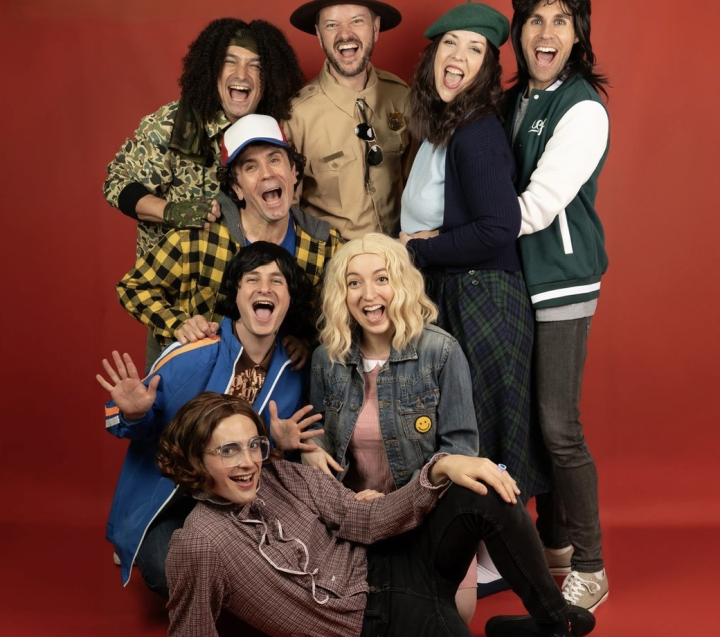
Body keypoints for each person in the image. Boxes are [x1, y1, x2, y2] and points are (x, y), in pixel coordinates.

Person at [159, 392, 595, 637]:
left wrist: (441, 467)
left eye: (254, 445)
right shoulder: (201, 542)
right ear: (195, 459)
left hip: (396, 561)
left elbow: (363, 519)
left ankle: (553, 623)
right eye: (228, 450)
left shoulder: (280, 474)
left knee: (483, 488)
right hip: (376, 625)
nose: (249, 462)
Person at [279, 233, 479, 622]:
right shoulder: (326, 359)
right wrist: (310, 450)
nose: (368, 294)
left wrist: (398, 504)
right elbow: (318, 437)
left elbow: (461, 451)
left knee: (455, 617)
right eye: (354, 282)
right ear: (342, 294)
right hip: (356, 516)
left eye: (381, 278)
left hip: (426, 513)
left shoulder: (441, 351)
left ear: (401, 284)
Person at [98, 243, 318, 596]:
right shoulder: (193, 353)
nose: (265, 288)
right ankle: (143, 538)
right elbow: (138, 429)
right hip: (173, 496)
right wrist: (135, 412)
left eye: (277, 281)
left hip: (240, 498)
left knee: (287, 563)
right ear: (236, 293)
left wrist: (282, 443)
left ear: (290, 298)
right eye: (253, 279)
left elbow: (279, 454)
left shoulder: (295, 370)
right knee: (168, 572)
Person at [400, 1, 550, 499]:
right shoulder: (442, 128)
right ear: (433, 57)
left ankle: (501, 541)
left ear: (486, 69)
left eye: (474, 49)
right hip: (455, 292)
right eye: (450, 43)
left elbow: (500, 227)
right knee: (463, 437)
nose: (458, 56)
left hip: (483, 298)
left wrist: (421, 250)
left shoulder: (478, 131)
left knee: (488, 441)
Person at [103, 18, 303, 365]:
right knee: (172, 397)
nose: (242, 74)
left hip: (251, 315)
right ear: (212, 70)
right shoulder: (174, 122)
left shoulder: (274, 130)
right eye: (230, 61)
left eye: (255, 66)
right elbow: (116, 183)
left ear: (267, 77)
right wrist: (169, 211)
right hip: (178, 311)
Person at [504, 0, 610, 612]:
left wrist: (457, 235)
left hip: (562, 279)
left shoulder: (583, 106)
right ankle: (556, 543)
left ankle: (591, 566)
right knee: (532, 423)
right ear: (519, 32)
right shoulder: (514, 99)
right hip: (520, 278)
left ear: (578, 34)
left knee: (558, 424)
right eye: (535, 20)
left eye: (561, 21)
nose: (546, 33)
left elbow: (538, 205)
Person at [115, 114, 343, 369]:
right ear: (236, 188)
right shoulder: (197, 237)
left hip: (278, 382)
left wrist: (310, 343)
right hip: (204, 378)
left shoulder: (324, 246)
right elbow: (132, 287)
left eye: (274, 159)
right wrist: (178, 324)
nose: (267, 173)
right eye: (251, 167)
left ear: (293, 172)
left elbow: (343, 315)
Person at [284, 0, 413, 239]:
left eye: (356, 21)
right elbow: (286, 214)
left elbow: (421, 189)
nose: (345, 35)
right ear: (319, 34)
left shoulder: (402, 97)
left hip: (399, 253)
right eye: (332, 25)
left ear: (375, 28)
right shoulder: (296, 116)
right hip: (333, 258)